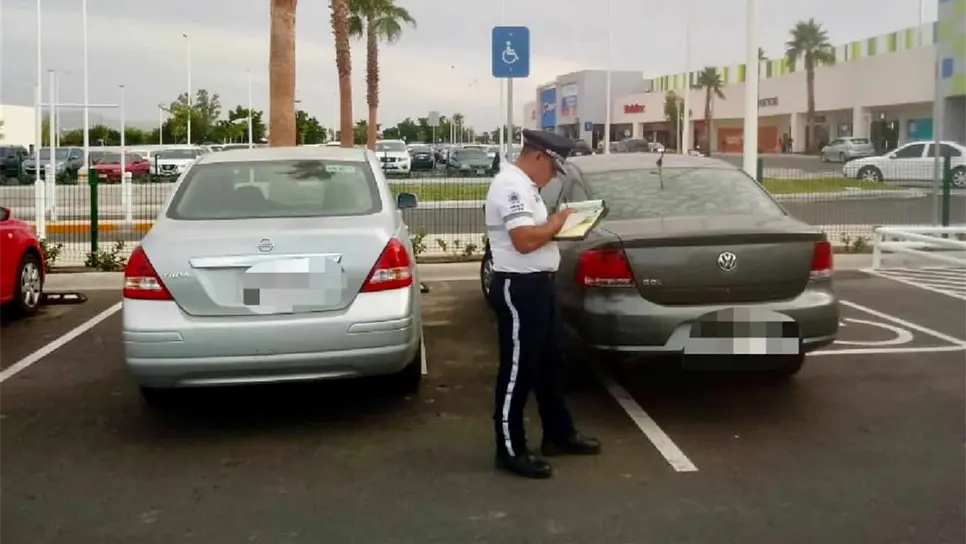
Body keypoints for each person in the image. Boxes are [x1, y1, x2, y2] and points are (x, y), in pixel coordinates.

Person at [483, 129, 601, 480]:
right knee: (519, 371)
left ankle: (559, 434)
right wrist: (556, 223)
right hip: (520, 288)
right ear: (538, 156)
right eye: (553, 168)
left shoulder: (527, 186)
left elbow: (535, 234)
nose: (553, 176)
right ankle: (510, 448)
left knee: (552, 364)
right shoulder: (510, 185)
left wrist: (560, 226)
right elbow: (522, 240)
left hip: (540, 286)